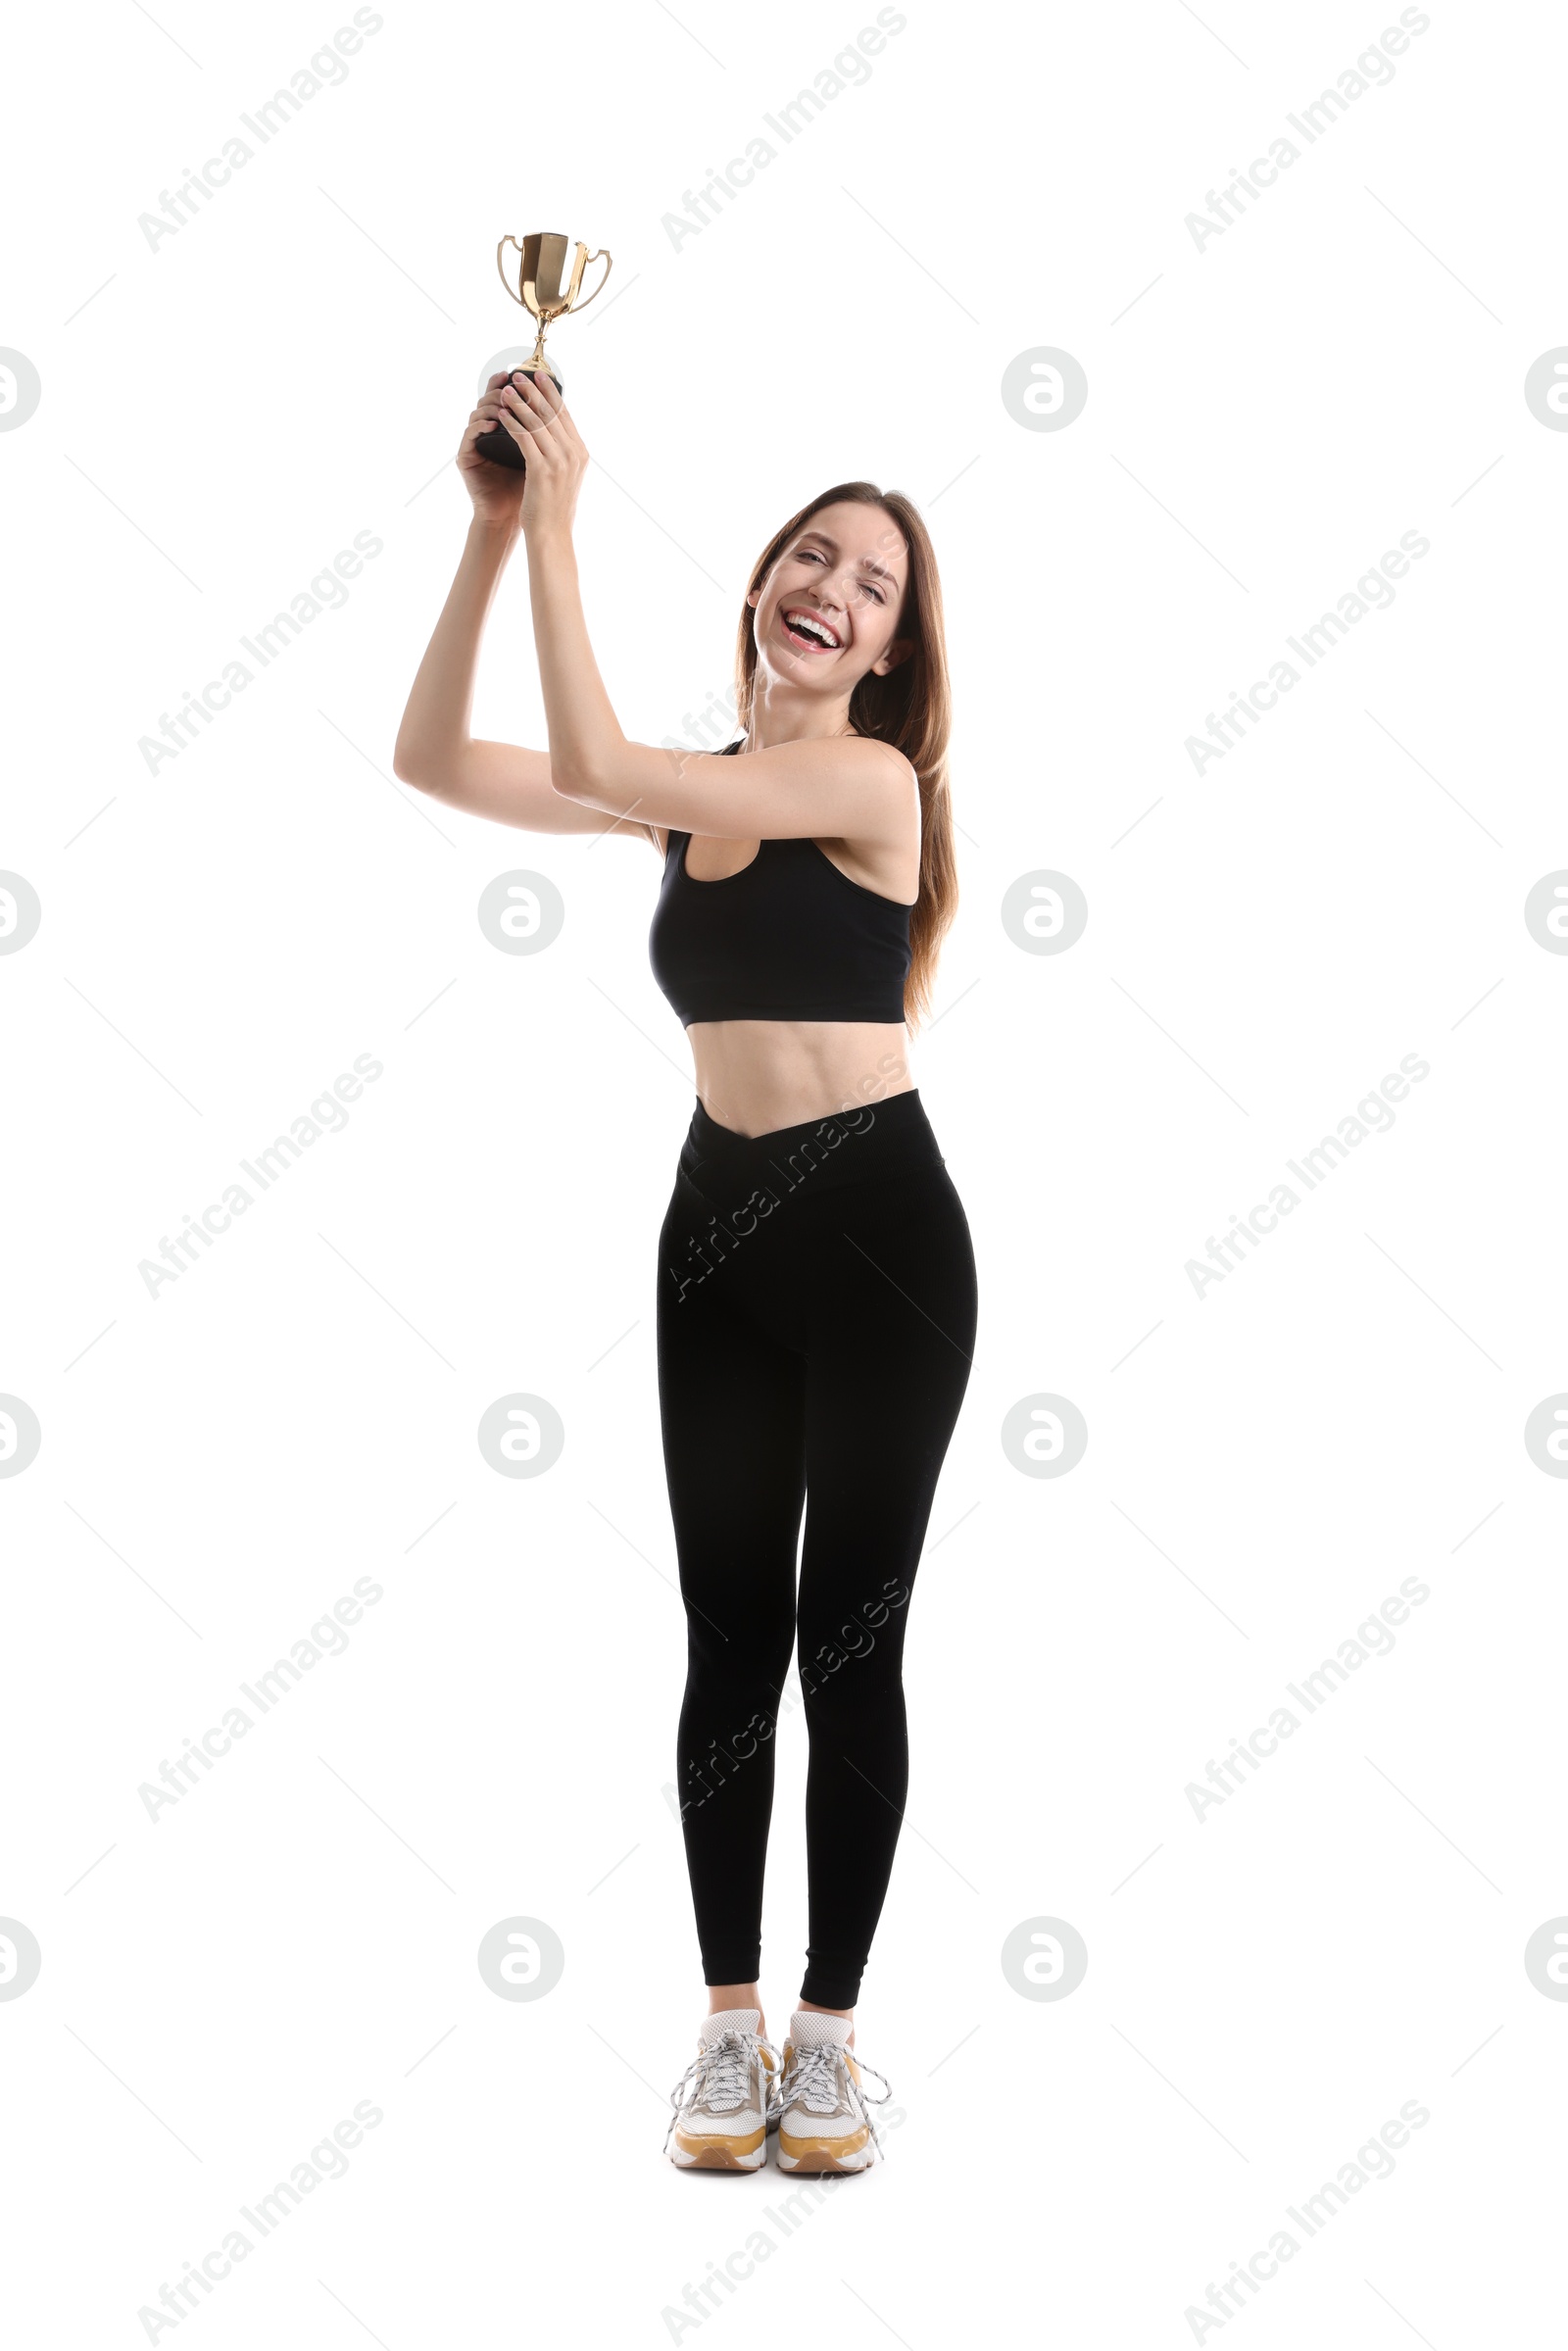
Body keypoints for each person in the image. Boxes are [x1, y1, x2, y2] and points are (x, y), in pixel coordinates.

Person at [394, 367, 979, 2174]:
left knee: (845, 1642)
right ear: (758, 588)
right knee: (727, 1633)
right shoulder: (692, 792)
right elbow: (437, 760)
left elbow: (593, 759)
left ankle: (832, 2039)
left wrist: (566, 517)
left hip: (881, 1233)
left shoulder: (870, 778)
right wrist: (497, 539)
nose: (834, 587)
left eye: (871, 584)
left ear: (886, 653)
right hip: (714, 1233)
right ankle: (726, 2038)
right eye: (811, 557)